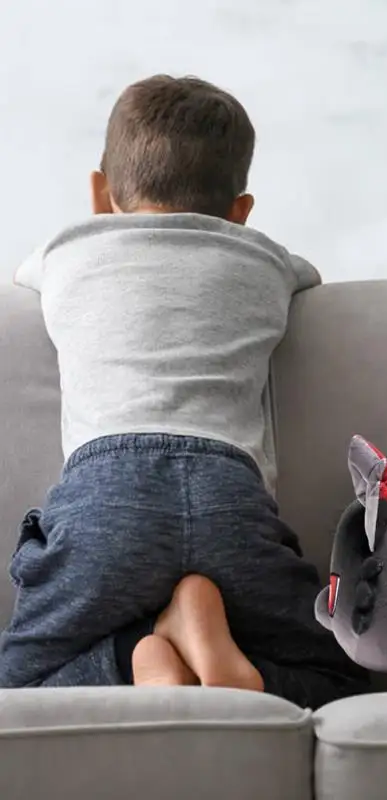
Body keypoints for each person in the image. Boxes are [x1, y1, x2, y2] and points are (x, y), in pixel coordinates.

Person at [0, 74, 368, 708]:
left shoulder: (65, 251)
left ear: (99, 193)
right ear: (241, 211)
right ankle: (216, 651)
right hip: (230, 495)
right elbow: (310, 278)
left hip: (106, 498)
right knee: (337, 681)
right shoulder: (264, 258)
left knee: (17, 691)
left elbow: (22, 276)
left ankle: (137, 656)